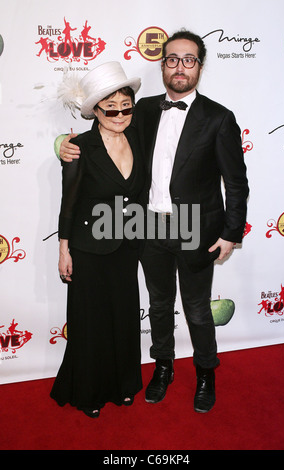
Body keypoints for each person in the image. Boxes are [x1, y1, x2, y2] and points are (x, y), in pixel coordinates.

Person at [58, 30, 249, 413]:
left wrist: (231, 232)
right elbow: (104, 133)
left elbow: (236, 181)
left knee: (196, 308)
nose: (180, 67)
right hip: (147, 227)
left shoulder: (218, 118)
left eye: (189, 59)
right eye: (173, 59)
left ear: (200, 65)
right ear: (163, 65)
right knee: (160, 305)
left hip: (194, 225)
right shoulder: (141, 109)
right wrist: (65, 144)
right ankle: (162, 367)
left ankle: (205, 373)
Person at [50, 62, 145, 418]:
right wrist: (64, 248)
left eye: (126, 107)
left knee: (122, 318)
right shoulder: (79, 148)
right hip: (88, 250)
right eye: (111, 108)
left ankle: (122, 385)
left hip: (127, 247)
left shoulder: (137, 135)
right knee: (90, 324)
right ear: (95, 110)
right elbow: (68, 203)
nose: (119, 114)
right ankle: (88, 393)